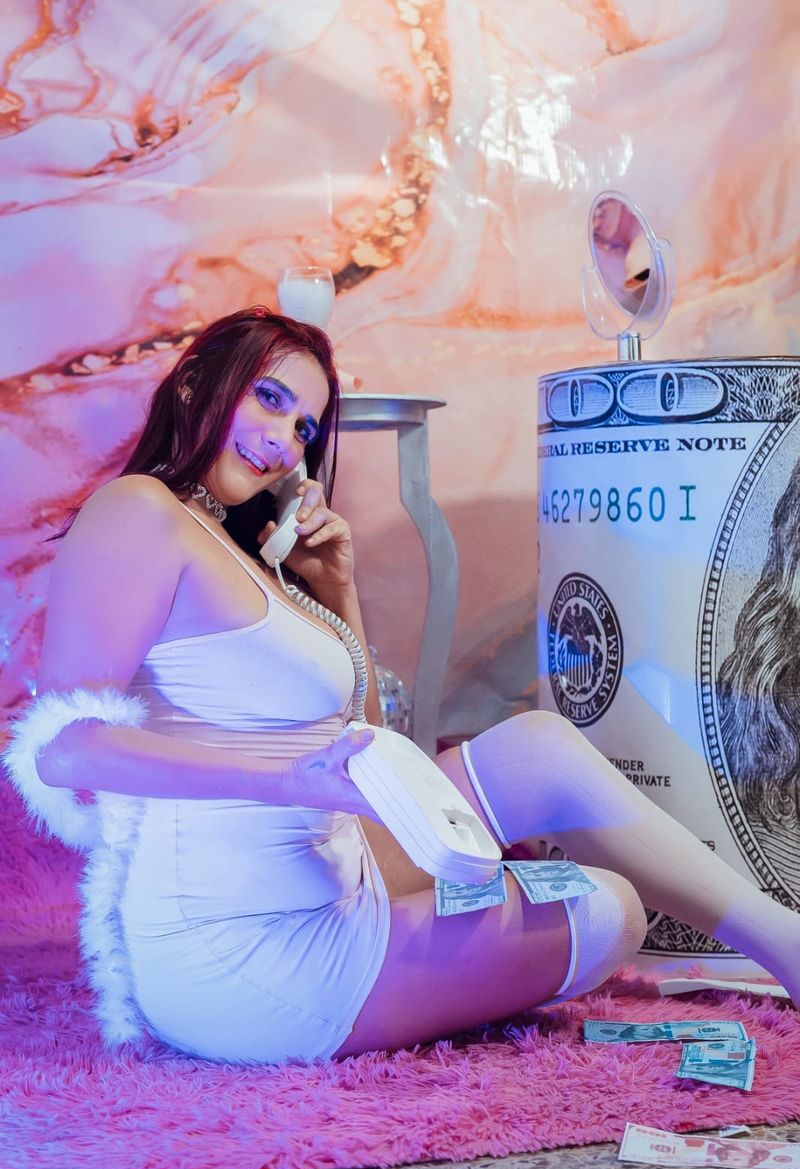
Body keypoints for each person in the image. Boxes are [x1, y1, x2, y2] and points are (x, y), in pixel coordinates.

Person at [5, 307, 800, 1066]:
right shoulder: (138, 511)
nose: (283, 440)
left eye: (304, 428)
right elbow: (63, 749)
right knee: (608, 910)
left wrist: (336, 584)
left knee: (537, 747)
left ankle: (786, 942)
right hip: (242, 944)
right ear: (193, 383)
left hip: (334, 860)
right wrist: (287, 779)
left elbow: (379, 747)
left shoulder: (247, 553)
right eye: (270, 399)